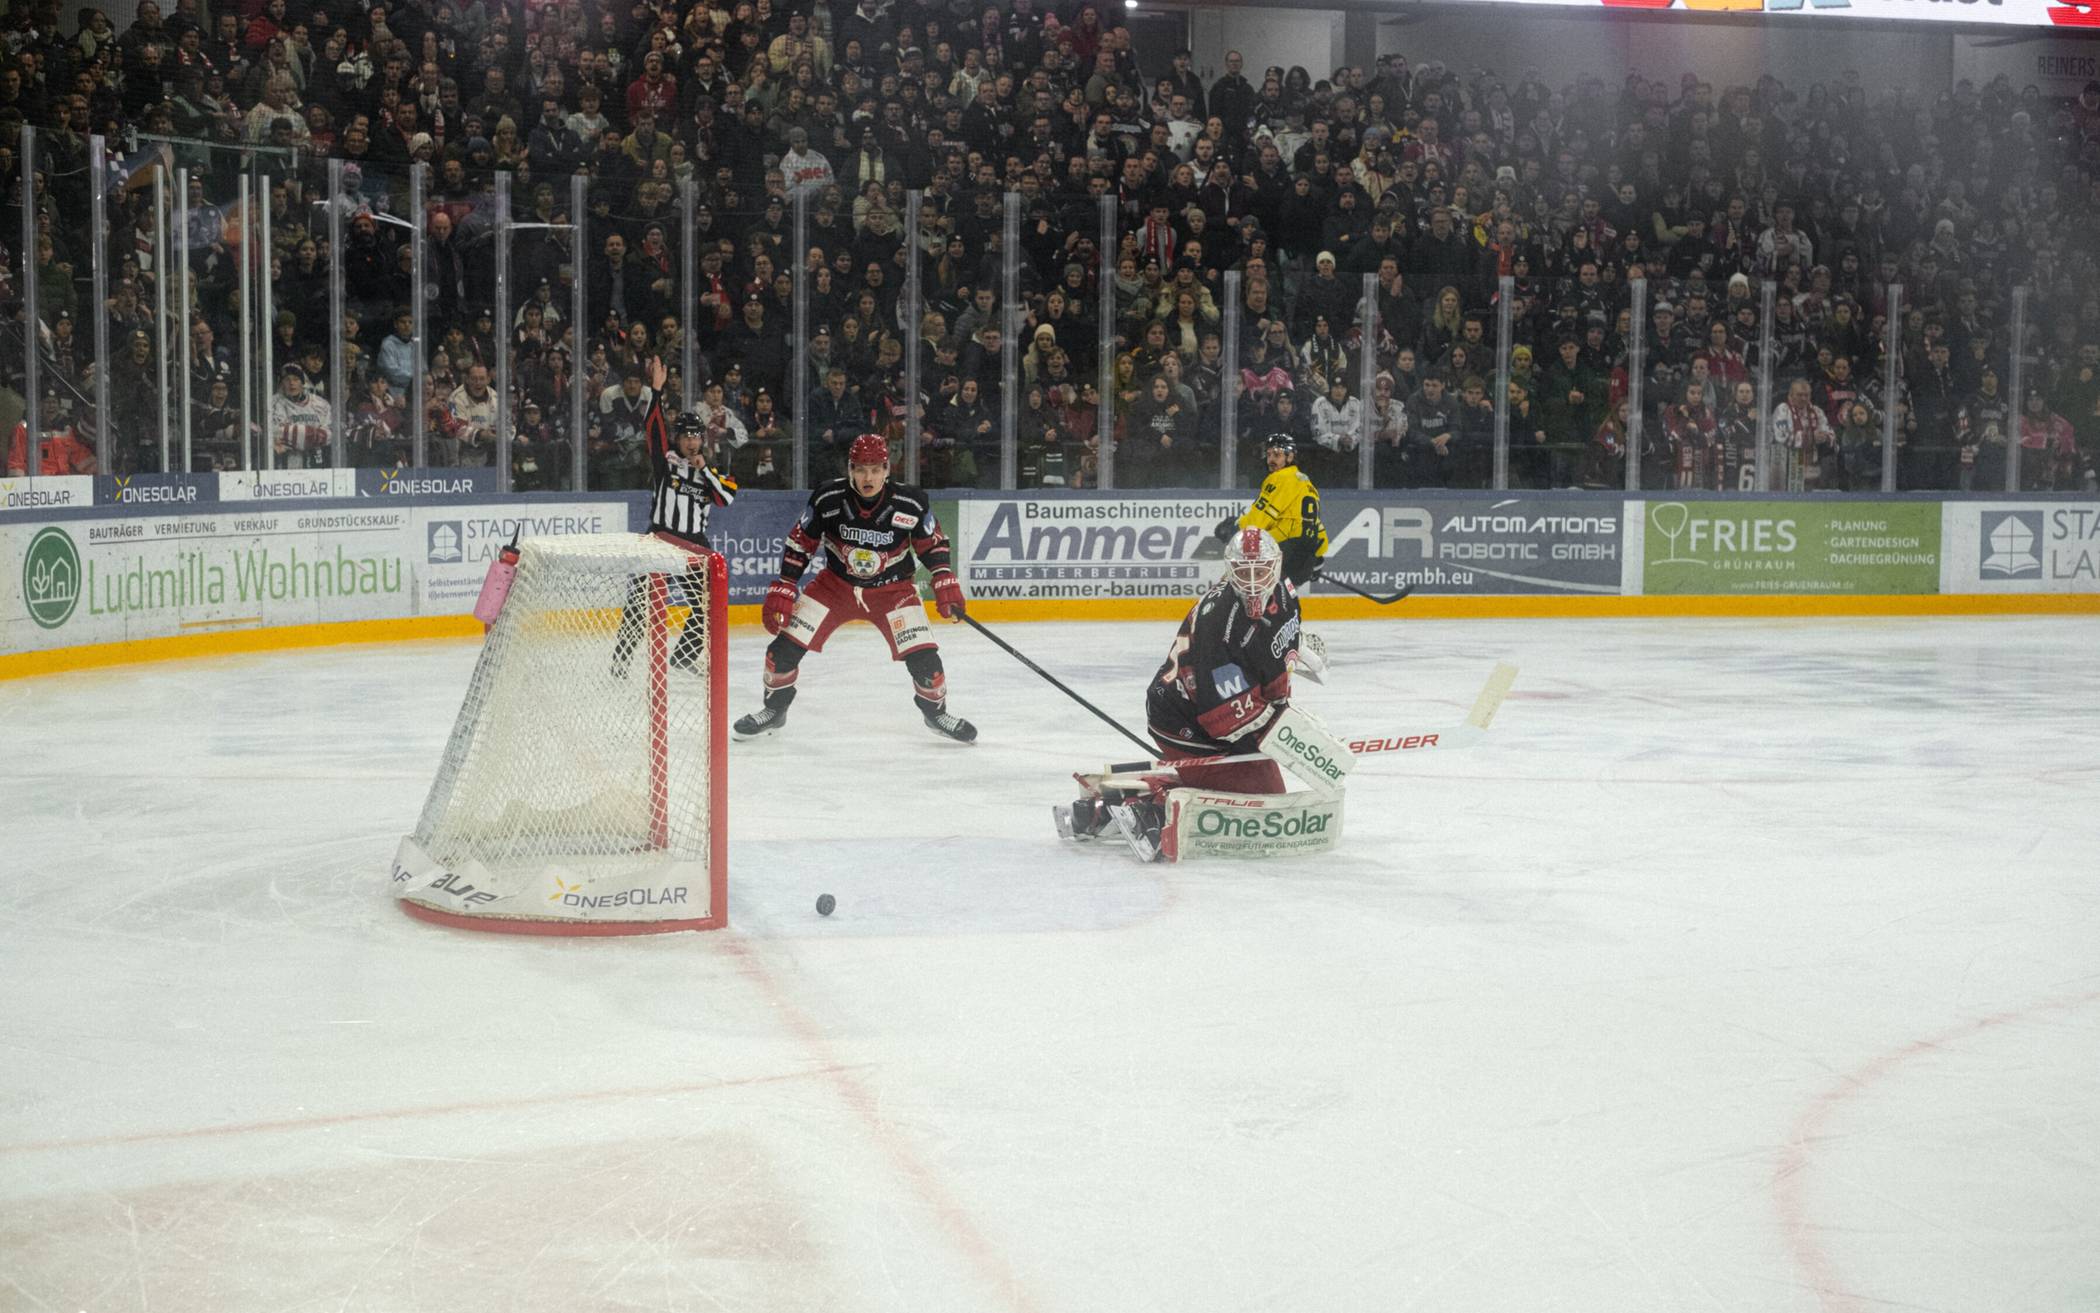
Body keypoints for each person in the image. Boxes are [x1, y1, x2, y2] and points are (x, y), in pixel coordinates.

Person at [1056, 529, 1300, 858]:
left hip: (1217, 713)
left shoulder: (1285, 592)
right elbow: (1223, 719)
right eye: (1244, 572)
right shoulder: (1219, 620)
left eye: (1261, 570)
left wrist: (1283, 691)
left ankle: (1119, 800)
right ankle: (1142, 806)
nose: (1254, 581)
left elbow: (1274, 660)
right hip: (1183, 719)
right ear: (1230, 570)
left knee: (1265, 790)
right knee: (1264, 804)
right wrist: (1279, 732)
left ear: (1277, 566)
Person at [733, 434, 975, 744]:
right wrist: (784, 585)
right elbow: (800, 544)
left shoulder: (911, 502)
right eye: (861, 469)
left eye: (875, 469)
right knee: (780, 653)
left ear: (888, 469)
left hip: (894, 592)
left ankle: (936, 713)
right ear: (850, 469)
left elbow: (933, 543)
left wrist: (943, 577)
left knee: (928, 665)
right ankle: (775, 710)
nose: (868, 477)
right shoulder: (828, 498)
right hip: (835, 587)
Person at [612, 358, 738, 677]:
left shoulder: (712, 471)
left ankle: (682, 657)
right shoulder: (665, 462)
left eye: (697, 436)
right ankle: (621, 661)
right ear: (678, 438)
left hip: (695, 546)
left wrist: (704, 470)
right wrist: (656, 391)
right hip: (660, 539)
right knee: (639, 604)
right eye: (686, 436)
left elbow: (726, 498)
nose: (692, 441)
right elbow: (653, 431)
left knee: (707, 605)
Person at [1212, 433, 1327, 587]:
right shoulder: (1308, 485)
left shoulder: (1279, 478)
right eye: (1268, 455)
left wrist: (1236, 527)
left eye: (1277, 455)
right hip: (1307, 557)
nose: (1271, 460)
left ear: (1290, 457)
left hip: (1285, 553)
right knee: (1285, 605)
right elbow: (1316, 525)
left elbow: (1260, 518)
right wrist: (1317, 558)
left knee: (1245, 592)